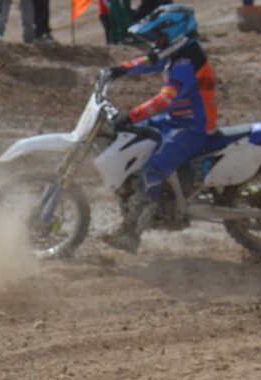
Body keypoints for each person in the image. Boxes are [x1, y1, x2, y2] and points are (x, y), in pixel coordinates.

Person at [100, 4, 217, 254]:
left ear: (175, 32)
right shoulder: (178, 51)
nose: (157, 41)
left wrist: (131, 115)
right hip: (175, 119)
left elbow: (166, 99)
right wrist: (118, 70)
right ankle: (138, 197)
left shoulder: (186, 60)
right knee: (132, 137)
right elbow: (150, 61)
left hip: (193, 127)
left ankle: (132, 234)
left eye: (160, 36)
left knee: (153, 167)